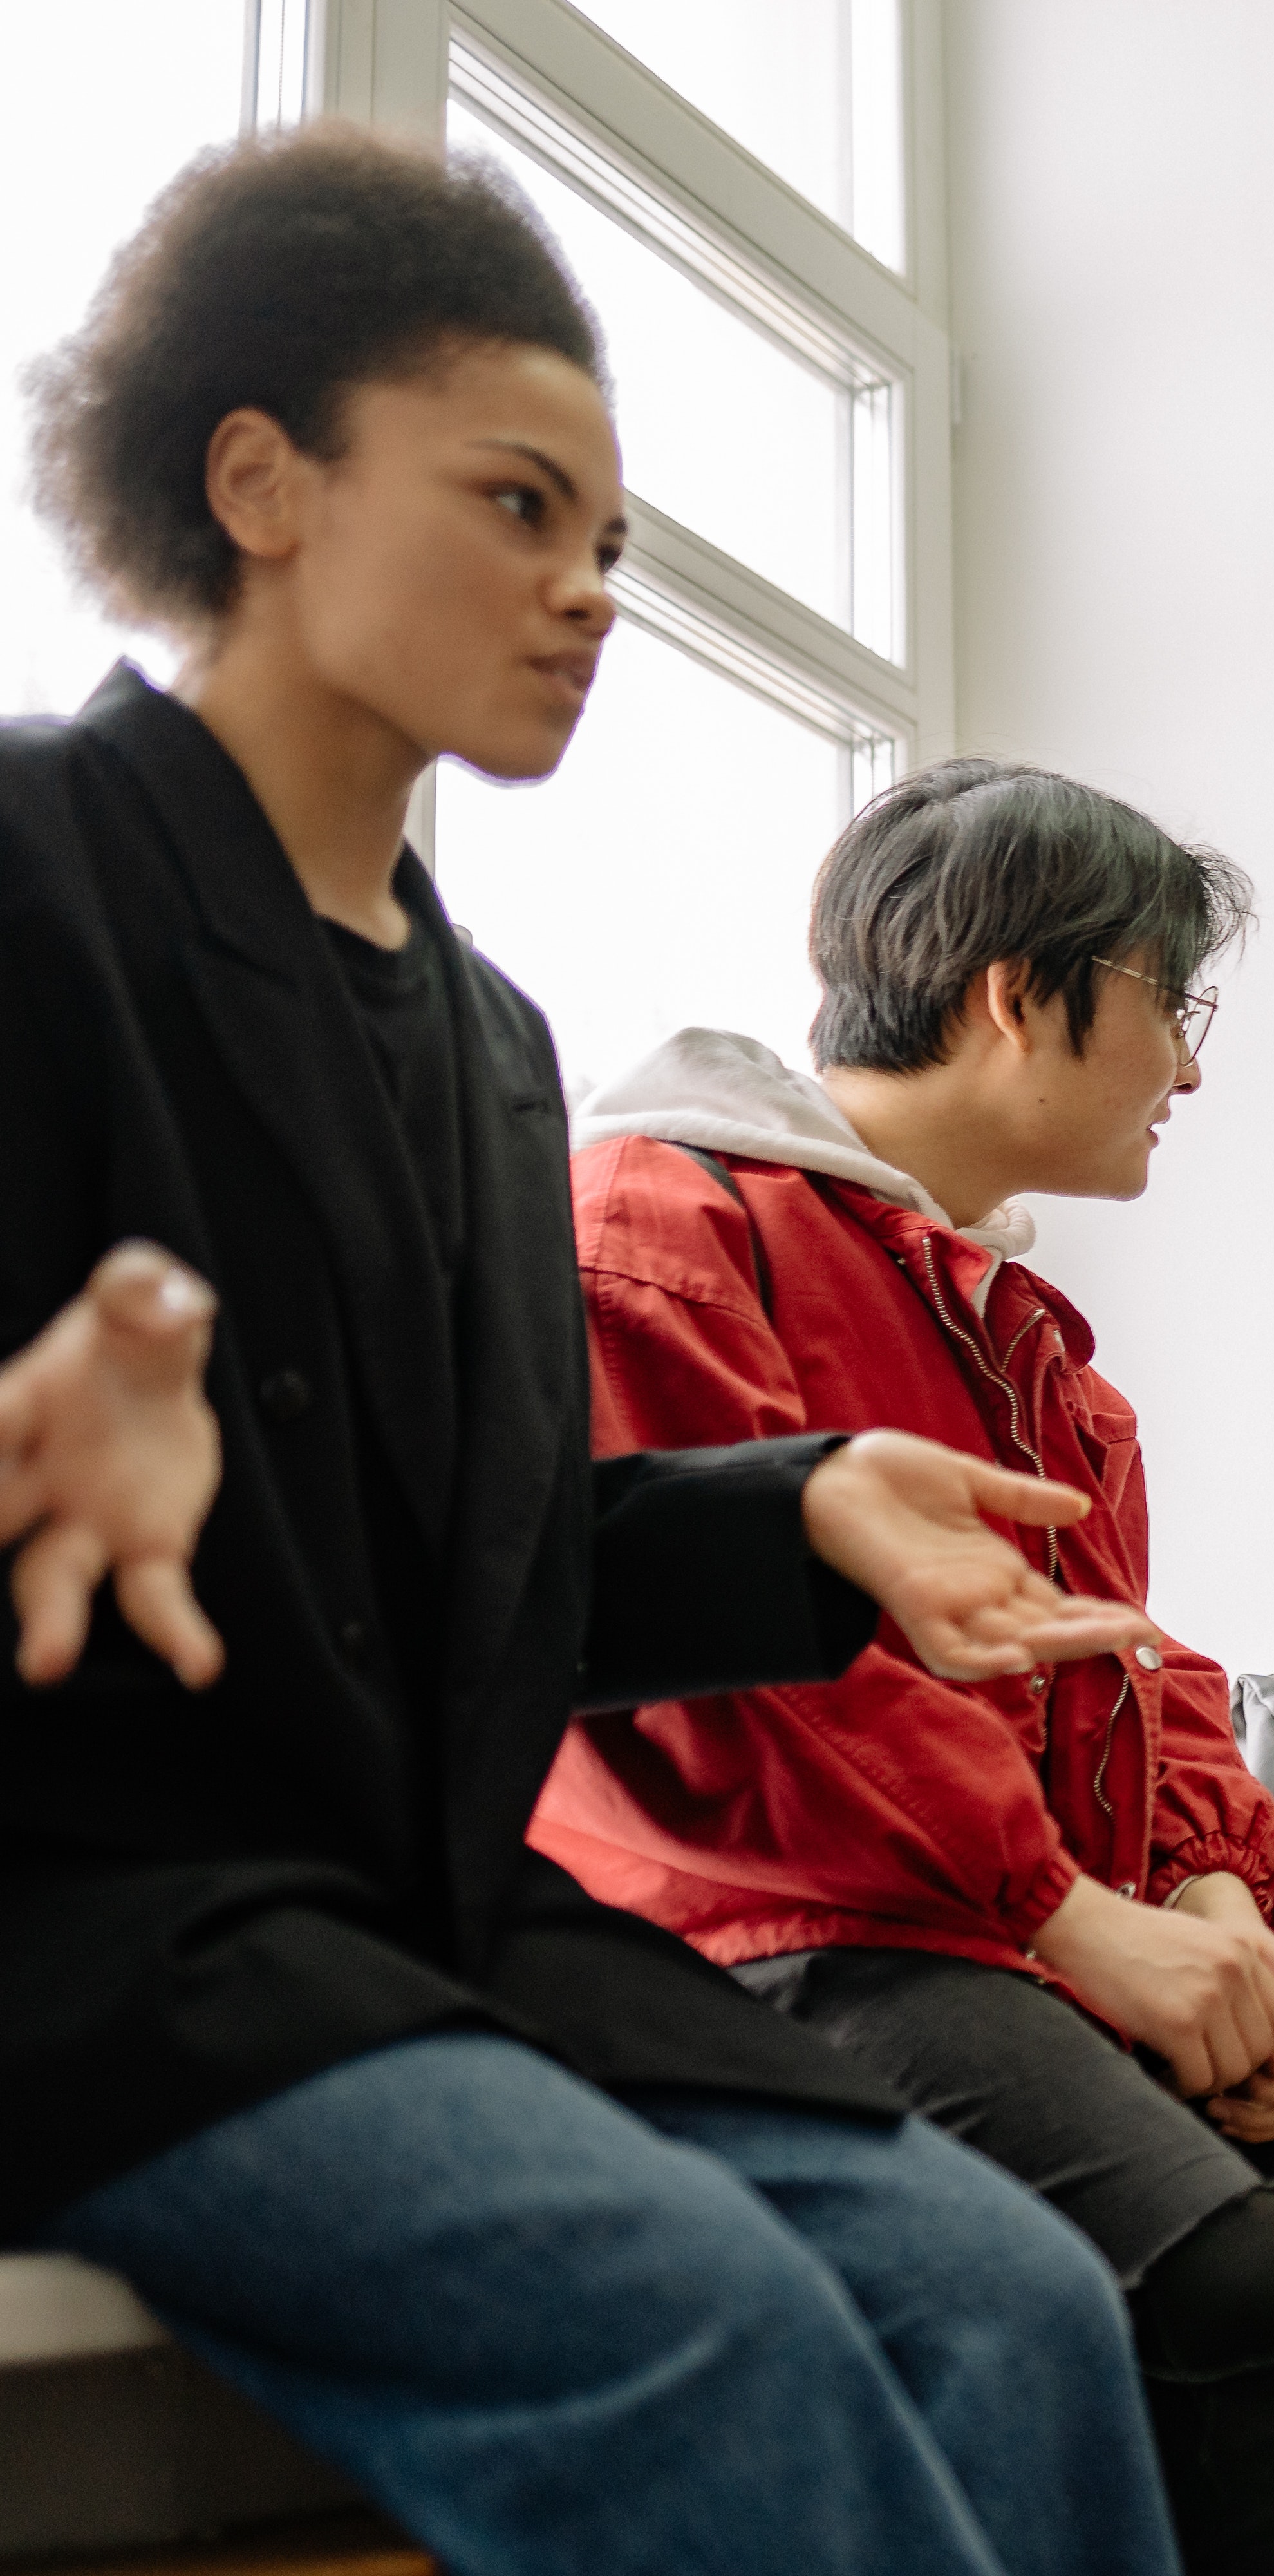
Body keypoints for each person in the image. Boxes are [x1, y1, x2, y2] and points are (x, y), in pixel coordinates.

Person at [0, 127, 1186, 2576]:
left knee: (1023, 2308)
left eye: (612, 545)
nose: (585, 594)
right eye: (521, 507)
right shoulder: (34, 872)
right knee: (720, 2335)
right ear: (260, 481)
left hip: (427, 1936)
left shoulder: (493, 1042)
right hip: (93, 1928)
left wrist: (803, 1508)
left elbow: (495, 1575)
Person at [529, 763, 1274, 2576]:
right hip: (794, 1941)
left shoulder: (1042, 1352)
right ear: (1012, 993)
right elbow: (758, 1692)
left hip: (1042, 1944)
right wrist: (1084, 1921)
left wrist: (1220, 1899)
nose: (1192, 1072)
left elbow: (1139, 1679)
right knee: (1233, 2288)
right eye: (1172, 1003)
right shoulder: (662, 1225)